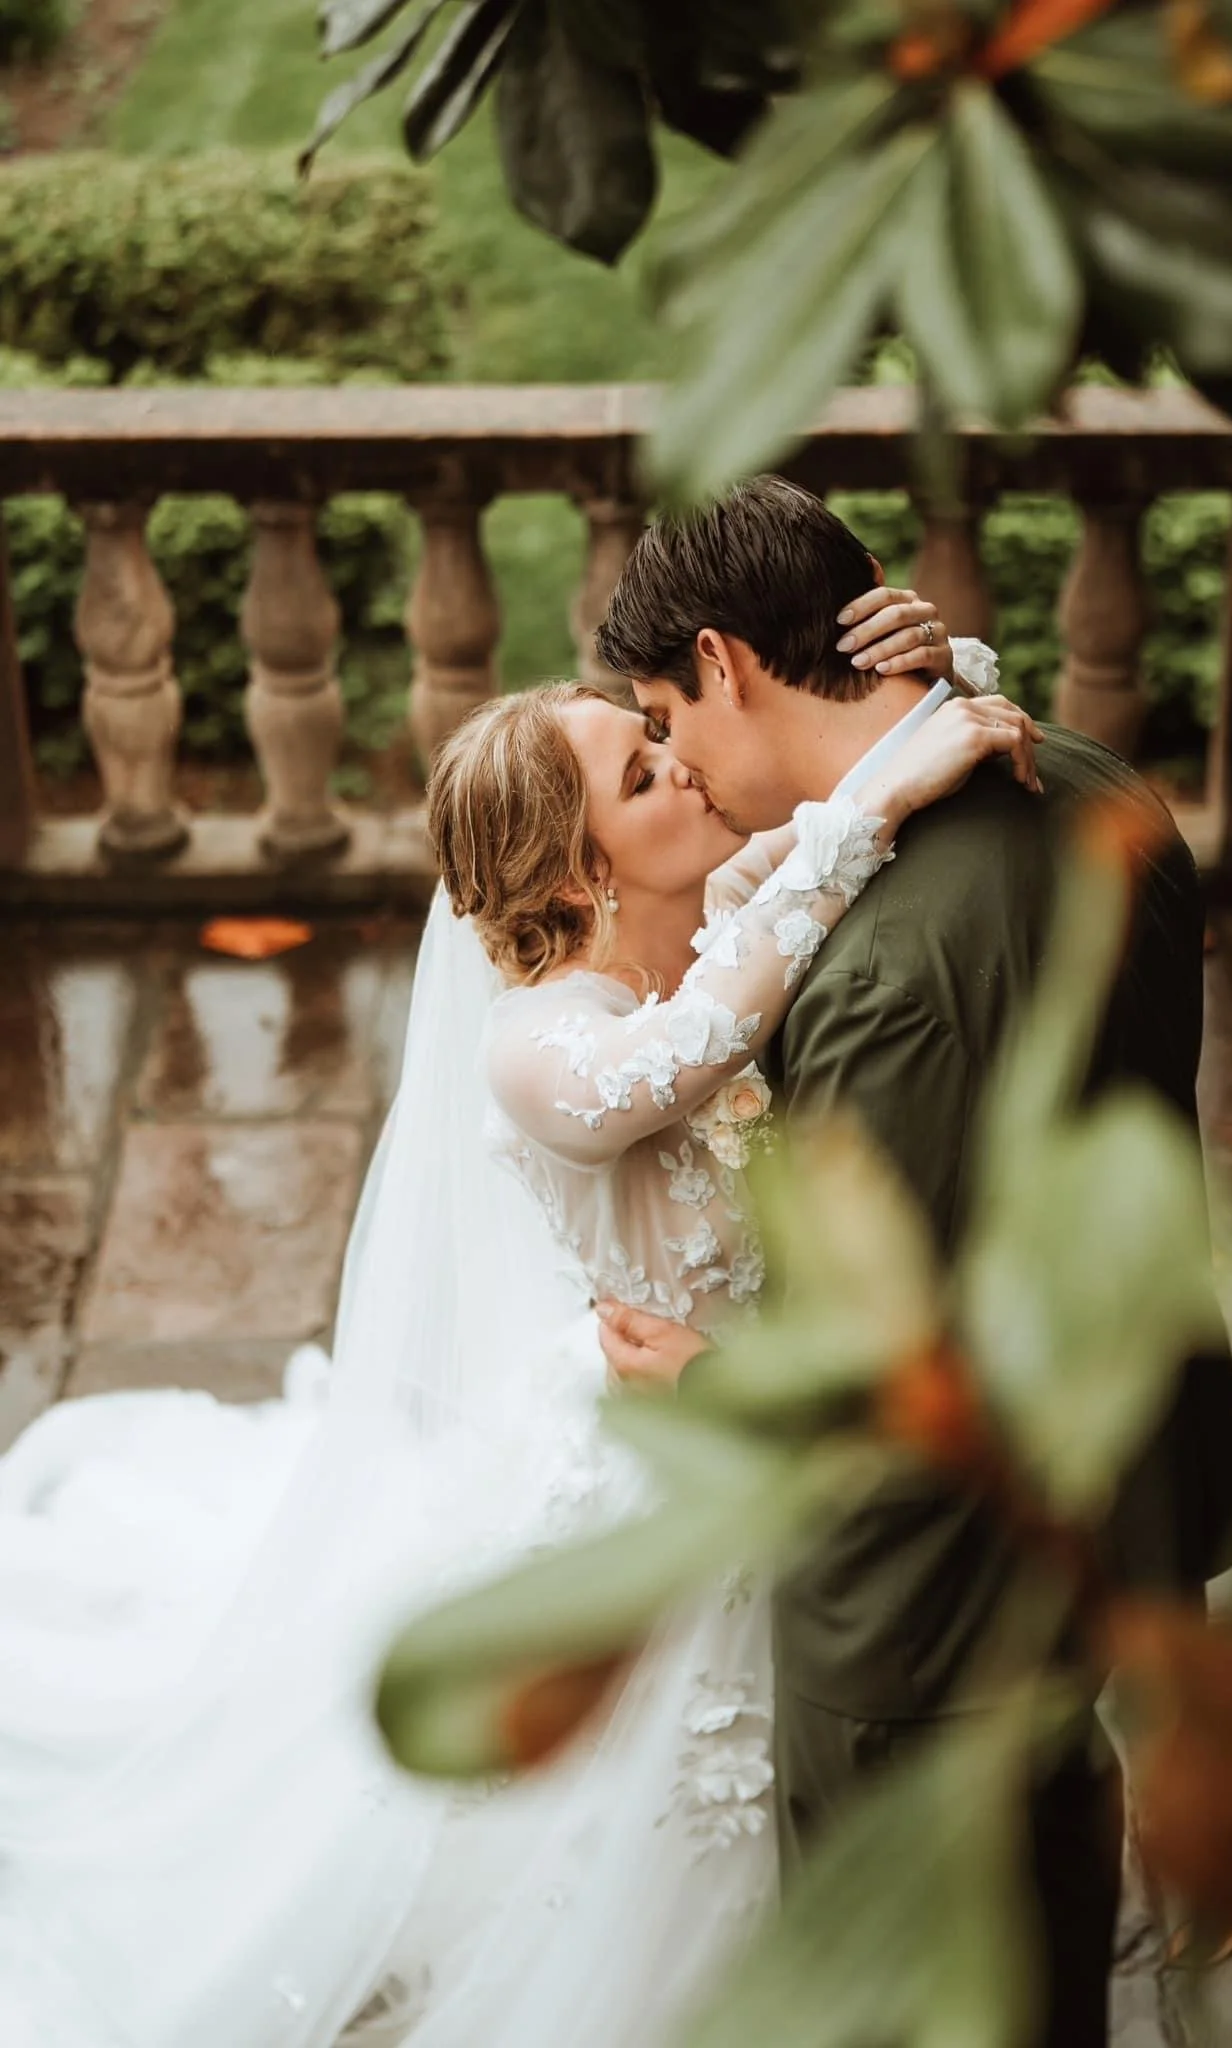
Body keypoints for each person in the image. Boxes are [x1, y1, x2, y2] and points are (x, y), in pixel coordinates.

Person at [0, 578, 1025, 2047]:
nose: (683, 765)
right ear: (574, 879)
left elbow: (815, 829)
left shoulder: (722, 909)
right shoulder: (540, 1050)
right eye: (640, 770)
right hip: (662, 1469)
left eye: (656, 738)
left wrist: (934, 683)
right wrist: (866, 812)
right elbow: (694, 1045)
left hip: (748, 1419)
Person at [592, 475, 1232, 2048]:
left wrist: (706, 1372)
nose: (671, 761)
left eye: (660, 717)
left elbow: (907, 1348)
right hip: (1107, 1487)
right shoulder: (1098, 785)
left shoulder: (893, 973)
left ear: (726, 659)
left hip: (925, 1608)